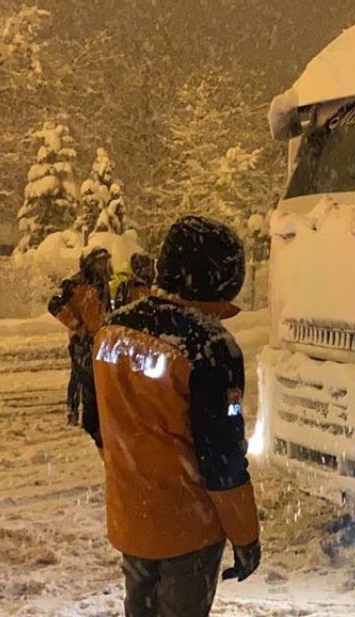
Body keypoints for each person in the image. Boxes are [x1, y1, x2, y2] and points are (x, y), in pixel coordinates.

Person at [92, 216, 260, 616]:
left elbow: (97, 422)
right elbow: (223, 456)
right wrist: (245, 537)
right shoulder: (211, 347)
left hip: (131, 517)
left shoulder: (111, 331)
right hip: (188, 527)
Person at [48, 247, 112, 427]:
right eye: (99, 262)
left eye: (105, 262)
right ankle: (73, 411)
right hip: (81, 339)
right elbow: (54, 305)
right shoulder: (73, 284)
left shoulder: (104, 284)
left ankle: (93, 413)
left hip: (99, 336)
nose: (103, 266)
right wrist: (76, 326)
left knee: (95, 377)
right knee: (79, 376)